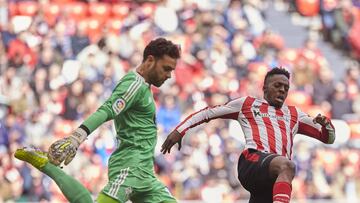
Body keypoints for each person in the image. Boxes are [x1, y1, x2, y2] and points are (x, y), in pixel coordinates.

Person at [15, 37, 181, 203]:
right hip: (131, 168)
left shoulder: (143, 87)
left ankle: (47, 165)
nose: (169, 75)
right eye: (166, 69)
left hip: (145, 173)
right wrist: (76, 137)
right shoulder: (134, 85)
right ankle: (47, 166)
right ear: (150, 60)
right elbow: (107, 110)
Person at [161, 67, 336, 203]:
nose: (282, 90)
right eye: (277, 86)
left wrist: (327, 125)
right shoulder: (248, 104)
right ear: (265, 88)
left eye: (286, 87)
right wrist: (179, 130)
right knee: (288, 166)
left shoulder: (294, 114)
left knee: (284, 168)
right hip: (252, 161)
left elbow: (327, 139)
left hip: (272, 178)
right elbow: (208, 113)